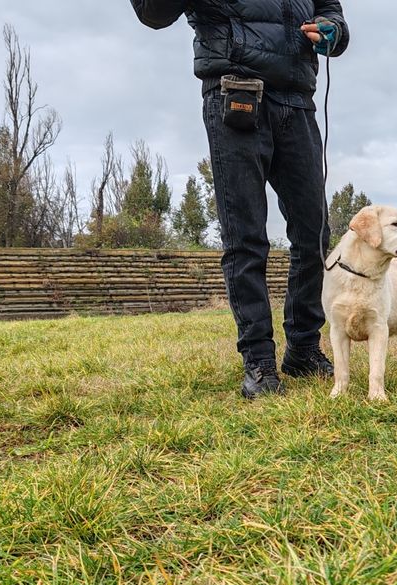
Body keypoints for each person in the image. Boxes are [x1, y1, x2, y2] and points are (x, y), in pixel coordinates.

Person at [130, 0, 350, 399]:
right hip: (236, 92)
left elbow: (332, 12)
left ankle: (303, 347)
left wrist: (332, 31)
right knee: (246, 237)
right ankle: (259, 361)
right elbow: (153, 13)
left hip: (297, 100)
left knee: (313, 233)